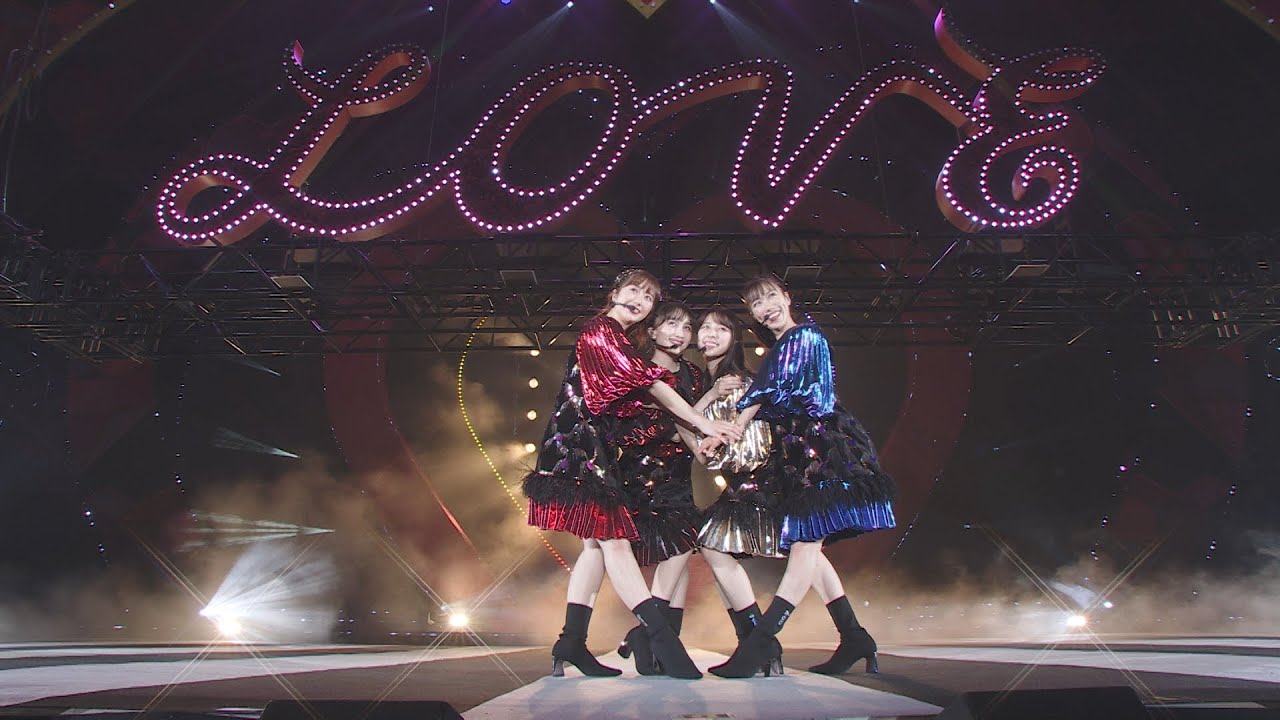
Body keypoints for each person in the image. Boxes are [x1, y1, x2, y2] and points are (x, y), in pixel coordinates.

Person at [522, 270, 740, 680]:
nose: (640, 300)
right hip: (580, 447)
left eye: (649, 297)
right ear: (616, 293)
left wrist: (701, 429)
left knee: (595, 547)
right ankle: (659, 638)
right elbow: (649, 384)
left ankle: (571, 642)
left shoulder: (621, 339)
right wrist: (703, 421)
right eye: (635, 291)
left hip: (595, 448)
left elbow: (640, 397)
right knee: (614, 544)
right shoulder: (601, 330)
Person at [707, 275, 896, 678]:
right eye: (756, 304)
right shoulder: (781, 346)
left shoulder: (804, 336)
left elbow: (783, 392)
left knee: (805, 545)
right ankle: (854, 636)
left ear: (787, 297)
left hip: (822, 451)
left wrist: (738, 420)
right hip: (796, 453)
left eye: (770, 297)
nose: (766, 308)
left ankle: (760, 643)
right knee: (807, 545)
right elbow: (770, 392)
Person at [613, 301, 705, 675]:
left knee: (681, 548)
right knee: (674, 546)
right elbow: (630, 427)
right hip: (639, 472)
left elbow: (699, 420)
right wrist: (677, 428)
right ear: (651, 331)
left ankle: (654, 639)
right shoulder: (637, 370)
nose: (680, 333)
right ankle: (654, 638)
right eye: (671, 325)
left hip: (679, 473)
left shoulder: (694, 375)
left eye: (686, 327)